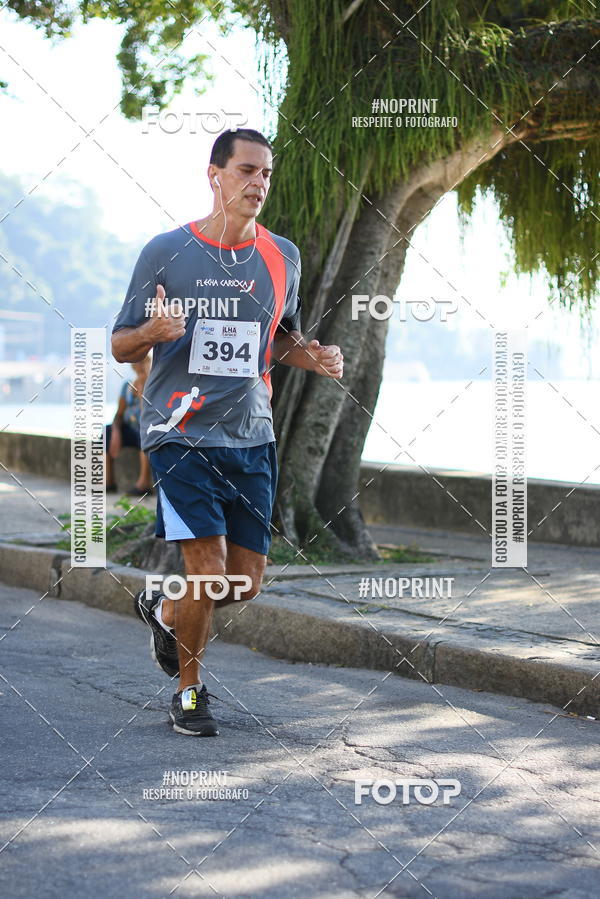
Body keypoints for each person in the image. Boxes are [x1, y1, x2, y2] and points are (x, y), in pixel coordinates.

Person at [111, 128, 343, 737]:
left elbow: (281, 338)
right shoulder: (165, 250)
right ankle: (189, 692)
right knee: (208, 570)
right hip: (179, 432)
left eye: (265, 174)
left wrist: (310, 356)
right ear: (215, 175)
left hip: (251, 436)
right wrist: (152, 335)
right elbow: (118, 342)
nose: (258, 184)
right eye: (246, 171)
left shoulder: (282, 255)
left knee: (243, 582)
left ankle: (165, 611)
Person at [105, 355, 154, 496]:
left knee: (145, 436)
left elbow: (149, 415)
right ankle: (109, 482)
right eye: (137, 363)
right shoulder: (127, 386)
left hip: (145, 428)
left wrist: (142, 395)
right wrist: (115, 433)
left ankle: (143, 484)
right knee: (106, 432)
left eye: (144, 362)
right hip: (129, 428)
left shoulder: (153, 385)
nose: (140, 366)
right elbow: (119, 414)